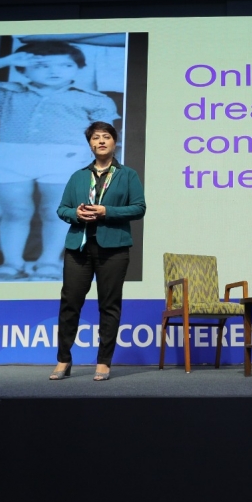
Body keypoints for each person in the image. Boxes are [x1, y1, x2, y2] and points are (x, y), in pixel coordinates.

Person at [0, 40, 120, 281]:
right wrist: (7, 60)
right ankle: (12, 264)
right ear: (23, 69)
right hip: (12, 157)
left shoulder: (94, 99)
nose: (54, 71)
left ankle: (49, 263)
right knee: (15, 212)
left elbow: (103, 137)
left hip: (66, 158)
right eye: (42, 66)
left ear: (78, 68)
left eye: (65, 65)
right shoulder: (6, 93)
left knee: (55, 212)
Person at [50, 121, 146, 381]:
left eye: (106, 137)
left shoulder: (128, 175)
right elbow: (62, 209)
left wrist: (107, 211)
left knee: (109, 305)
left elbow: (139, 208)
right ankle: (63, 359)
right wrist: (76, 214)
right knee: (70, 304)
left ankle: (103, 362)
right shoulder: (78, 176)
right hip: (78, 248)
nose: (101, 141)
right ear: (90, 144)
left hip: (113, 249)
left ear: (115, 142)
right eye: (95, 137)